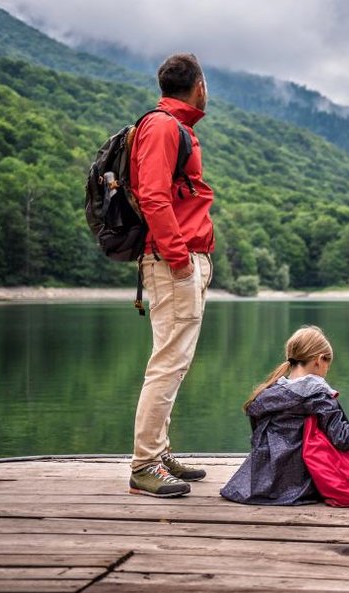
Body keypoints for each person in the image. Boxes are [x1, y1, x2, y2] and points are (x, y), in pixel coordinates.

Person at [128, 53, 215, 498]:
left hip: (178, 262)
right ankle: (144, 465)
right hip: (172, 263)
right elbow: (153, 197)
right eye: (206, 82)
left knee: (173, 364)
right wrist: (180, 259)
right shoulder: (163, 127)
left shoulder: (176, 127)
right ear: (198, 85)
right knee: (167, 365)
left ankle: (158, 454)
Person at [221, 326, 349, 505]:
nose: (327, 371)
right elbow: (345, 438)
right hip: (299, 485)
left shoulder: (267, 394)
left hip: (259, 481)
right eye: (328, 363)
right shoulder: (317, 395)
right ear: (319, 360)